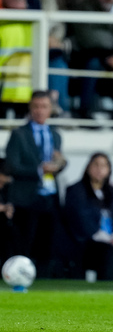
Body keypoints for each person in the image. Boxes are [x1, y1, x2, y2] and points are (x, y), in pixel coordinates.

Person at [5, 90, 67, 277]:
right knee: (25, 242)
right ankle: (20, 276)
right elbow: (12, 166)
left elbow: (58, 162)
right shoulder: (19, 134)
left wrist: (60, 164)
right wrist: (40, 170)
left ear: (51, 110)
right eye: (36, 106)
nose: (40, 111)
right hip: (26, 197)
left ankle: (43, 278)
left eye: (44, 107)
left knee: (47, 241)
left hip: (49, 195)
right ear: (30, 108)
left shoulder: (55, 135)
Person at [64, 153, 113, 280]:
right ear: (88, 167)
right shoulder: (76, 190)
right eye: (96, 165)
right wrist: (105, 238)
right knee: (109, 253)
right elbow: (80, 218)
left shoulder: (112, 192)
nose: (99, 169)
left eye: (104, 166)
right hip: (89, 242)